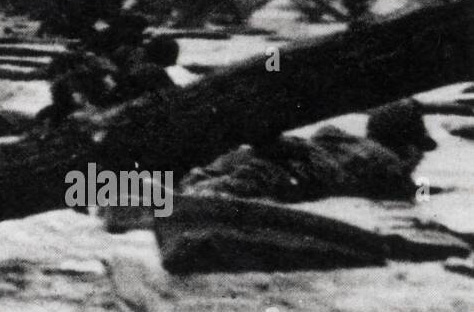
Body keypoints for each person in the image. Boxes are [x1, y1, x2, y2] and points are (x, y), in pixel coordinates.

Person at [181, 99, 435, 203]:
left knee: (193, 182)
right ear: (408, 146)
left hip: (274, 154)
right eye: (420, 150)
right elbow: (402, 192)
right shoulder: (389, 164)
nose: (421, 158)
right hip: (289, 173)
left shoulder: (345, 140)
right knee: (214, 193)